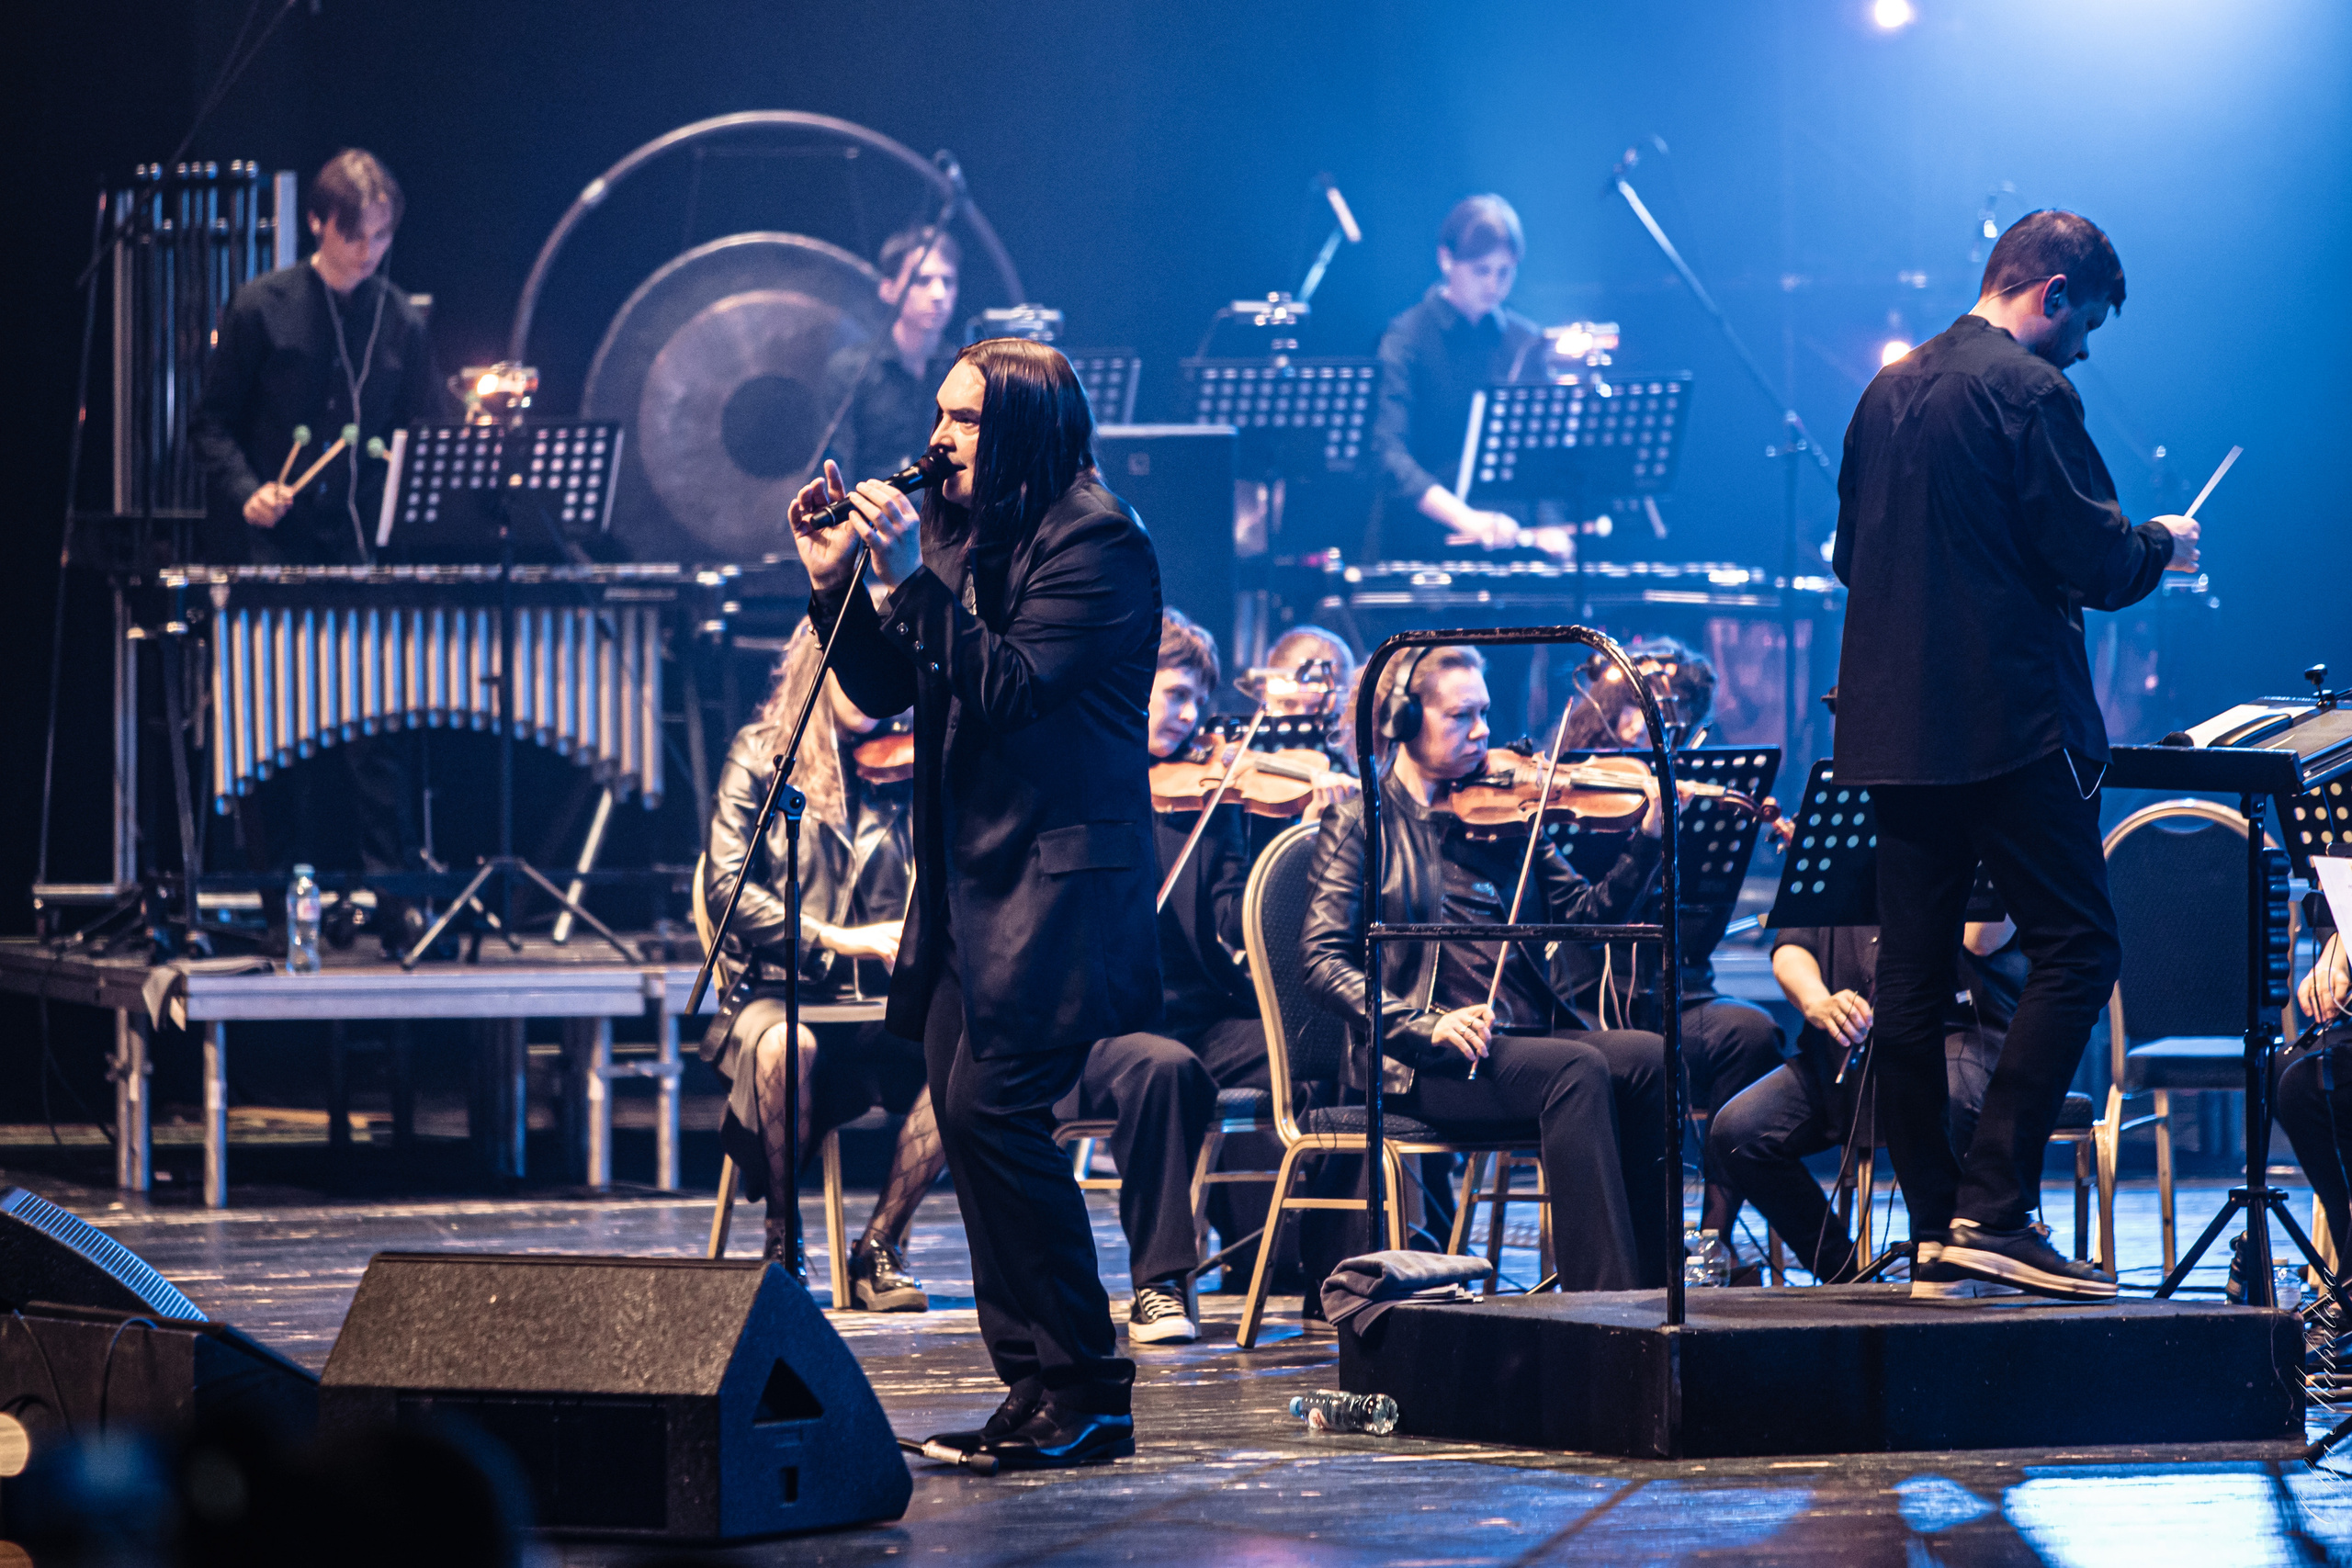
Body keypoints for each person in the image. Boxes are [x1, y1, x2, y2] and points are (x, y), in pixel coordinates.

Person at [787, 336, 1161, 1469]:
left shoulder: (1098, 541)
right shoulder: (967, 531)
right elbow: (885, 681)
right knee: (964, 1115)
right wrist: (830, 578)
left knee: (999, 1114)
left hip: (1055, 889)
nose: (936, 438)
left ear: (1023, 435)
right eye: (939, 413)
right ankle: (1035, 1381)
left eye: (963, 420)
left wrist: (910, 573)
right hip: (968, 885)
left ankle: (1088, 1383)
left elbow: (1006, 689)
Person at [1832, 209, 2201, 1301]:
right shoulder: (2032, 391)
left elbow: (1855, 557)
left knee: (1907, 980)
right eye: (2082, 323)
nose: (2083, 346)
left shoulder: (1882, 392)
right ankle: (1993, 1210)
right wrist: (2160, 547)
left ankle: (1942, 1225)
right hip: (2006, 726)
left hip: (1893, 732)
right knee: (2080, 950)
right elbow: (2091, 558)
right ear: (2048, 294)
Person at [1300, 644, 1674, 1293]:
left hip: (1514, 1044)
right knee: (1578, 1069)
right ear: (1404, 720)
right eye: (1460, 715)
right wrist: (1424, 1025)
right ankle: (1604, 1306)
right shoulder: (1363, 818)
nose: (1481, 731)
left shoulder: (1504, 812)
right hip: (1424, 1062)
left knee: (1648, 1056)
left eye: (1485, 713)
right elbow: (1321, 959)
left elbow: (1586, 915)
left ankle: (1654, 1286)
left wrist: (1648, 840)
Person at [190, 149, 448, 919]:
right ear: (317, 222)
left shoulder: (399, 318)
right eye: (353, 238)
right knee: (283, 736)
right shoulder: (261, 307)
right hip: (278, 557)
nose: (367, 254)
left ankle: (391, 892)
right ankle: (284, 898)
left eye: (380, 239)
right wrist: (247, 492)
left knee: (380, 736)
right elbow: (208, 424)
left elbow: (423, 434)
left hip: (366, 556)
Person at [699, 617, 944, 1309]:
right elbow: (726, 889)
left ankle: (880, 1245)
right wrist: (837, 937)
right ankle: (782, 1241)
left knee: (972, 1051)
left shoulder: (912, 763)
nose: (884, 694)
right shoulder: (761, 756)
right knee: (786, 1046)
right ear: (824, 669)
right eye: (867, 671)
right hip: (781, 991)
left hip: (883, 1002)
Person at [1053, 608, 1273, 1347]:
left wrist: (1256, 912)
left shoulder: (1210, 797)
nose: (1183, 715)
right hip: (1096, 1026)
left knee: (1319, 1045)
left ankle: (1302, 1254)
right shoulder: (1078, 780)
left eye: (1193, 699)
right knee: (1162, 1066)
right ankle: (1160, 1284)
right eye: (1168, 692)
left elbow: (1229, 912)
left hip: (1198, 1015)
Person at [1552, 638, 1783, 1263]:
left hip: (1675, 990)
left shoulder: (1687, 787)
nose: (1663, 720)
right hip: (1590, 999)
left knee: (1753, 1032)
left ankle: (1715, 1234)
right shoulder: (1569, 788)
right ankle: (1644, 1241)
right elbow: (1586, 918)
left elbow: (1700, 929)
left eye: (1680, 708)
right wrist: (1645, 841)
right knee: (1644, 1058)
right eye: (1645, 704)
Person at [1709, 908, 2024, 1288]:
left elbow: (1980, 938)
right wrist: (1817, 1002)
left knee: (1945, 1103)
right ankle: (1845, 1275)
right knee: (1741, 1130)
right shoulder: (1841, 852)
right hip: (1850, 1051)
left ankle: (1948, 1266)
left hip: (1957, 1035)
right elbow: (1792, 946)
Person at [1367, 194, 1570, 561]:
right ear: (1446, 259)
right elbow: (1389, 455)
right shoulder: (1404, 339)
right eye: (1481, 270)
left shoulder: (1526, 343)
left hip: (1511, 547)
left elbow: (1545, 455)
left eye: (1504, 272)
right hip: (1422, 547)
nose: (1493, 285)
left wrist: (1549, 524)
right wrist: (1468, 520)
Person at [822, 226, 963, 482]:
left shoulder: (965, 370)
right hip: (872, 514)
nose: (939, 294)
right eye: (922, 281)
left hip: (944, 516)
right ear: (888, 289)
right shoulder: (851, 370)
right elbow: (839, 466)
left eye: (948, 281)